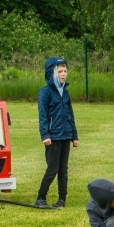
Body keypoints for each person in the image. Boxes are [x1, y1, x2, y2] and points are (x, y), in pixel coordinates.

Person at [34, 56, 79, 208]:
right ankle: (41, 198)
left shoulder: (65, 93)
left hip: (65, 136)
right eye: (60, 71)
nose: (63, 74)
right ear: (51, 73)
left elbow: (70, 114)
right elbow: (43, 116)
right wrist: (45, 135)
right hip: (52, 137)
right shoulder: (45, 93)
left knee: (63, 170)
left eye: (65, 71)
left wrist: (74, 136)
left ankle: (62, 200)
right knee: (52, 169)